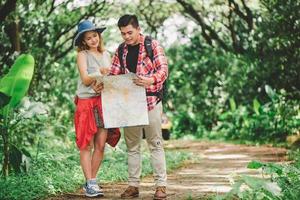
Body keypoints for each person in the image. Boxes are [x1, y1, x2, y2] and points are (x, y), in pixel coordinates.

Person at [111, 14, 168, 199]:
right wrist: (102, 83)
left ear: (137, 28)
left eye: (129, 32)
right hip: (130, 106)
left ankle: (161, 186)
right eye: (123, 34)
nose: (127, 37)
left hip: (151, 102)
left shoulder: (153, 45)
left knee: (155, 144)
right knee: (133, 147)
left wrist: (151, 79)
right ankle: (133, 186)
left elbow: (163, 70)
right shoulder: (121, 50)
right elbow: (114, 75)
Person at [73, 20, 120, 198]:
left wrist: (104, 83)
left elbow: (111, 79)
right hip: (86, 102)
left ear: (99, 36)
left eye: (95, 36)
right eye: (88, 38)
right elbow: (85, 79)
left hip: (103, 102)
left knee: (100, 144)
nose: (93, 40)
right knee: (86, 144)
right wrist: (100, 73)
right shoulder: (82, 55)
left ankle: (91, 182)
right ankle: (90, 183)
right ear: (83, 41)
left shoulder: (107, 54)